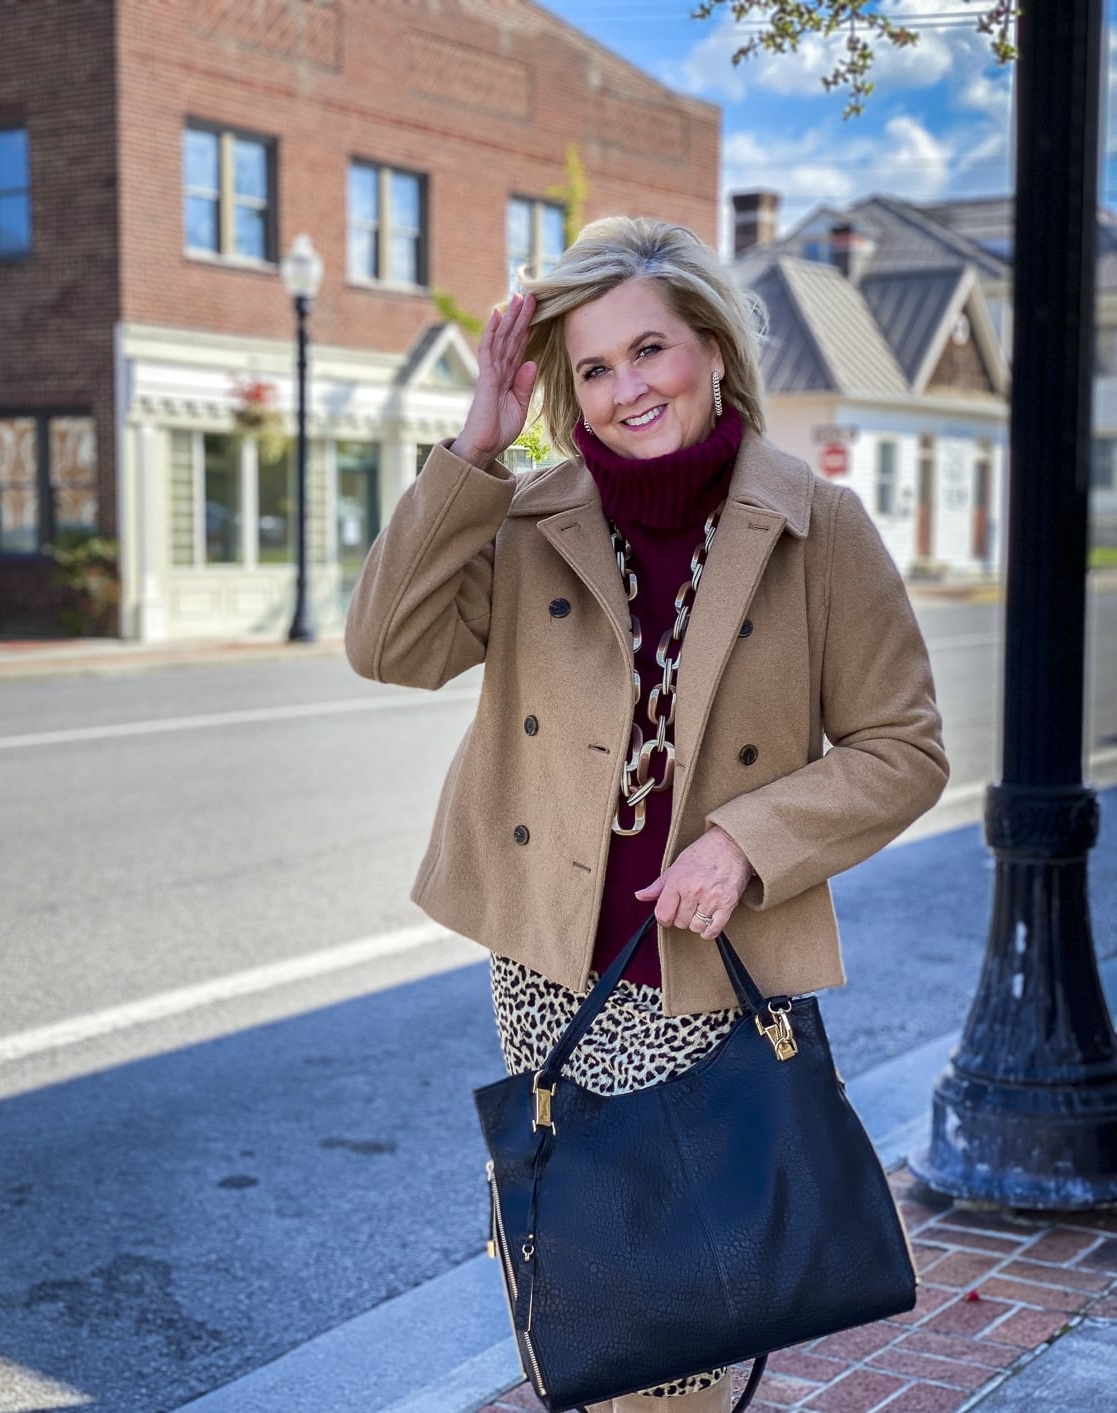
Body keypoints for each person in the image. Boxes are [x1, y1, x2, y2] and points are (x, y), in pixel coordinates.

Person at [345, 217, 948, 1413]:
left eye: (651, 351)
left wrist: (747, 843)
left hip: (710, 970)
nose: (628, 390)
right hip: (550, 961)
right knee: (587, 1277)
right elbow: (389, 646)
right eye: (594, 370)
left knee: (697, 1293)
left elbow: (905, 748)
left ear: (714, 350)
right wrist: (475, 447)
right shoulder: (527, 518)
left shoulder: (817, 527)